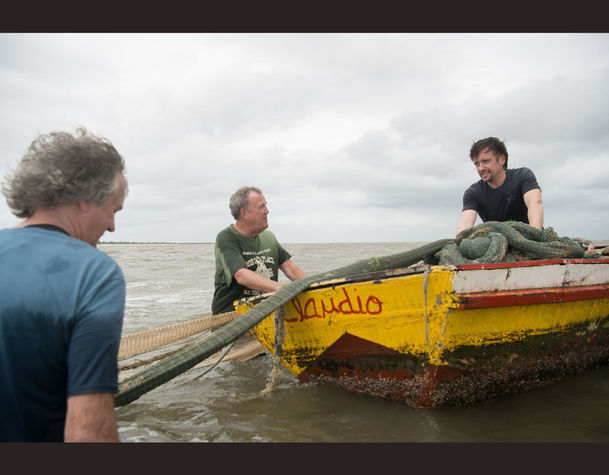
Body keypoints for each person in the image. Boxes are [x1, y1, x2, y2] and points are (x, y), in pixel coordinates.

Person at [0, 127, 128, 442]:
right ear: (84, 199)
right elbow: (88, 432)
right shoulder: (94, 274)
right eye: (112, 209)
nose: (112, 226)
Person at [212, 186, 306, 315]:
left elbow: (289, 266)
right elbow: (241, 276)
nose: (267, 211)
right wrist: (284, 290)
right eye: (261, 207)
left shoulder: (269, 237)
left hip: (265, 315)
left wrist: (314, 287)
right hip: (232, 319)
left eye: (266, 206)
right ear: (244, 213)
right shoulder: (226, 237)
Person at [456, 136, 544, 234]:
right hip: (498, 243)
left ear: (502, 159)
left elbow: (535, 203)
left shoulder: (523, 176)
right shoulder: (473, 192)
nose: (480, 168)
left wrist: (534, 235)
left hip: (528, 236)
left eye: (485, 161)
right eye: (477, 164)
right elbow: (466, 224)